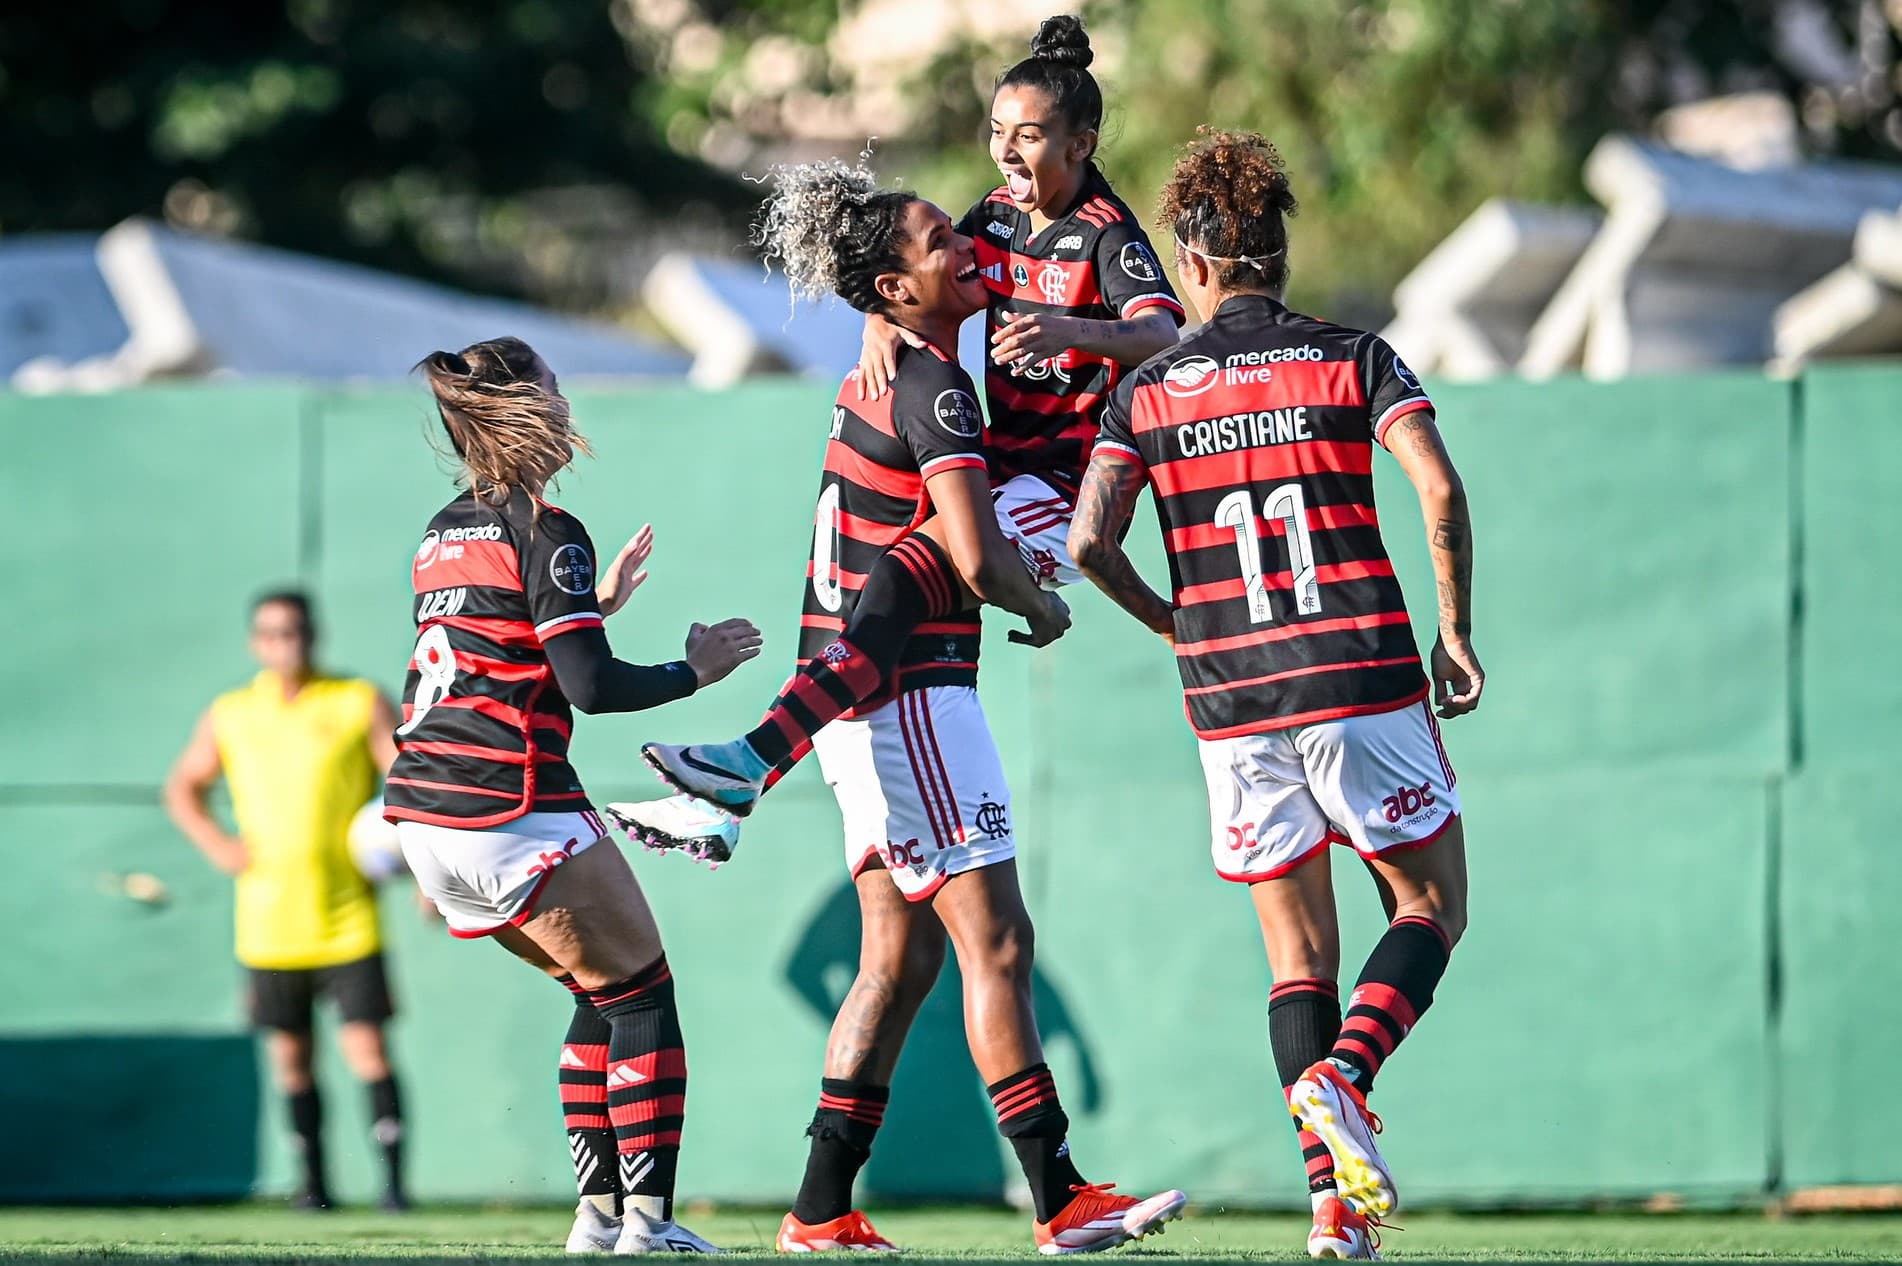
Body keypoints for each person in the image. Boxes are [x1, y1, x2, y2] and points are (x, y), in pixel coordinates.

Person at [639, 160, 1185, 1255]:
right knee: (998, 944)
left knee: (900, 962)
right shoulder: (936, 385)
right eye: (936, 242)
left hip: (853, 703)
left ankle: (819, 1209)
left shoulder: (884, 368)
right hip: (911, 702)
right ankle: (1061, 1197)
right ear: (891, 291)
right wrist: (1042, 605)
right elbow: (974, 558)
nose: (959, 248)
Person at [1067, 129, 1482, 1261]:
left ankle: (1333, 1214)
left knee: (1297, 964)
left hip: (1232, 701)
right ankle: (1345, 1081)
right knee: (1431, 906)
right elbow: (1436, 487)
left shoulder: (1146, 394)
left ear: (1192, 264)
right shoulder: (1355, 356)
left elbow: (1087, 543)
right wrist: (1455, 631)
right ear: (1278, 252)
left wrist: (1174, 625)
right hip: (1358, 678)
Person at [621, 14, 1179, 848]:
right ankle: (741, 778)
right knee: (894, 587)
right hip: (1006, 471)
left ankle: (749, 763)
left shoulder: (1106, 232)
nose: (1006, 153)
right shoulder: (994, 215)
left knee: (909, 573)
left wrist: (1077, 333)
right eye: (998, 133)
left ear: (1080, 145)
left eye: (1029, 137)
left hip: (1069, 485)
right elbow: (926, 265)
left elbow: (1166, 335)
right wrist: (880, 320)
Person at [383, 336, 761, 1254]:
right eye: (552, 385)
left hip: (424, 816)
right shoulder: (546, 530)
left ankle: (596, 1220)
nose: (565, 400)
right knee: (642, 996)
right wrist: (693, 670)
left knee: (599, 994)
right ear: (525, 407)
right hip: (505, 802)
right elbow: (588, 689)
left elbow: (504, 647)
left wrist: (595, 608)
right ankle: (650, 1224)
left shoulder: (443, 530)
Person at [163, 590, 410, 1211]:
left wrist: (429, 873)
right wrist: (218, 845)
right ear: (256, 643)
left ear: (313, 635)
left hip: (348, 916)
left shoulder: (356, 700)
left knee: (367, 1050)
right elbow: (184, 787)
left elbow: (406, 783)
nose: (286, 643)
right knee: (291, 1059)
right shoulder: (232, 713)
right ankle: (314, 1187)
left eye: (296, 631)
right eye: (272, 633)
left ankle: (393, 1187)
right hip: (269, 923)